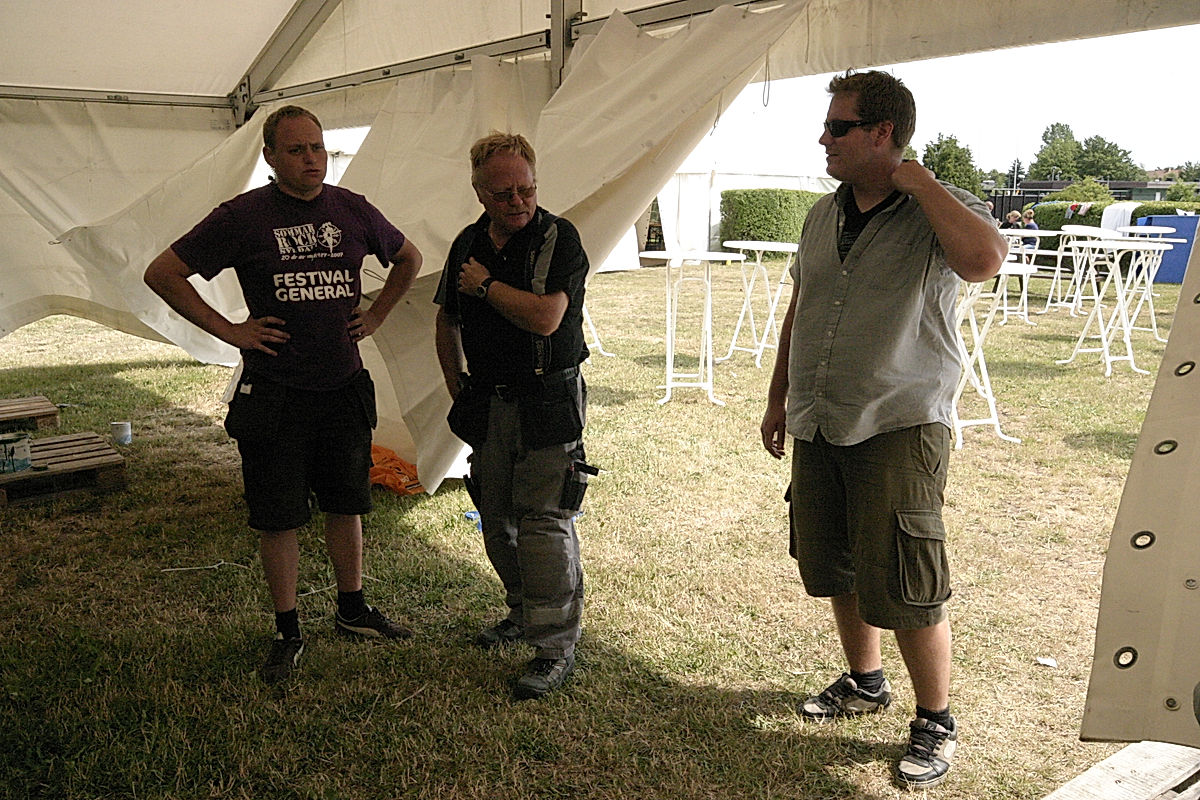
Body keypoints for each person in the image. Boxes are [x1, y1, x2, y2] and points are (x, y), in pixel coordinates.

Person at [759, 71, 1005, 789]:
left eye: (838, 127)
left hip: (899, 421)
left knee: (907, 575)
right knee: (833, 561)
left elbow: (985, 261)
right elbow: (800, 313)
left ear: (882, 134)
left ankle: (936, 720)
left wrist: (922, 184)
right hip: (820, 415)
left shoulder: (937, 208)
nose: (823, 139)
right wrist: (779, 400)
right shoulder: (818, 216)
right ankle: (864, 681)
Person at [144, 105, 423, 684]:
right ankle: (287, 628)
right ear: (269, 157)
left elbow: (408, 259)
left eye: (319, 148)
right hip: (275, 392)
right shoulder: (243, 216)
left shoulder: (351, 210)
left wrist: (377, 314)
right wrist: (233, 331)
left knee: (348, 503)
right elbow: (163, 272)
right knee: (280, 516)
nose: (312, 159)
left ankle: (352, 608)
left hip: (342, 385)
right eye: (297, 150)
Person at [434, 132, 592, 700]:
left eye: (527, 189)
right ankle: (522, 615)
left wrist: (488, 285)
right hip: (490, 401)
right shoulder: (466, 242)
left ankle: (555, 648)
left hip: (549, 400)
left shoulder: (558, 238)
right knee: (494, 515)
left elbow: (547, 318)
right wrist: (458, 392)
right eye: (504, 194)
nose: (518, 202)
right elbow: (446, 320)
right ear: (479, 191)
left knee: (545, 522)